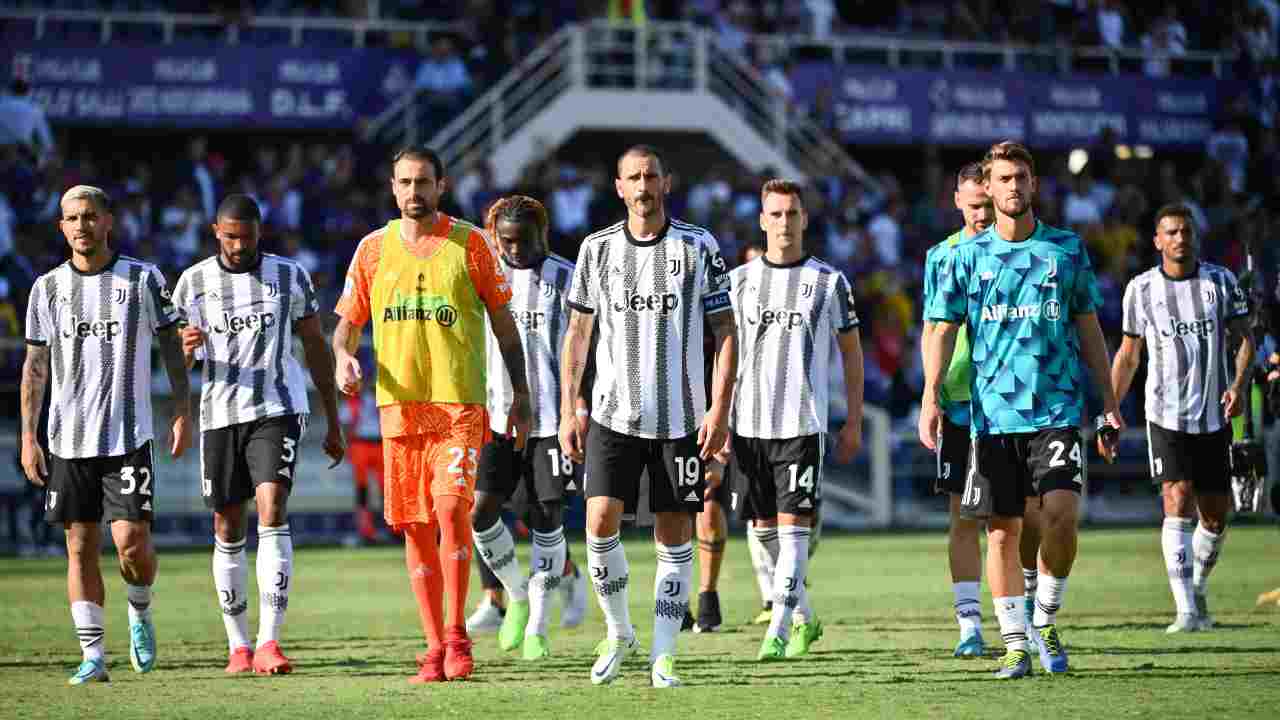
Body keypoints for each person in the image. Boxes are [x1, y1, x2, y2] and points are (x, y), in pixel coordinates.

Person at [921, 141, 1123, 679]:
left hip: (1055, 408)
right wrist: (930, 396)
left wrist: (1109, 401)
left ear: (1033, 185)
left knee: (1059, 515)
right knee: (1002, 532)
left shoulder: (1066, 250)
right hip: (991, 417)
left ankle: (1046, 614)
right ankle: (1015, 643)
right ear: (988, 187)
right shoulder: (965, 258)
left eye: (1021, 178)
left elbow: (1088, 328)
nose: (1013, 187)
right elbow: (941, 330)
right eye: (1003, 179)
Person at [332, 145, 531, 684]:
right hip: (399, 410)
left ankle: (457, 638)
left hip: (458, 407)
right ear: (392, 188)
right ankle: (431, 647)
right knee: (416, 530)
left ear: (441, 185)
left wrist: (521, 393)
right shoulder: (371, 250)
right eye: (404, 182)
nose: (413, 192)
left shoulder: (470, 244)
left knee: (450, 514)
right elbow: (347, 322)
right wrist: (344, 356)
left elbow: (505, 325)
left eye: (423, 182)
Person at [558, 145, 737, 688]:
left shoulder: (697, 245)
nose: (642, 186)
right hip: (614, 414)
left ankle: (663, 655)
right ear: (618, 186)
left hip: (682, 419)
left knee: (674, 531)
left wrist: (720, 409)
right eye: (632, 177)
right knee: (598, 522)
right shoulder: (596, 250)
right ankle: (618, 634)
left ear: (666, 182)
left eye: (651, 176)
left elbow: (726, 333)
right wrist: (570, 407)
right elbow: (578, 337)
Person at [20, 185, 192, 684]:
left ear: (108, 221)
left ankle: (139, 610)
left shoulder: (142, 279)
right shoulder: (46, 289)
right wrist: (28, 436)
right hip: (68, 440)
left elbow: (172, 347)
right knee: (79, 545)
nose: (81, 225)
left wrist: (182, 409)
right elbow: (34, 367)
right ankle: (93, 656)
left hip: (128, 435)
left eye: (90, 216)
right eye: (72, 218)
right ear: (61, 227)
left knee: (131, 545)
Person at [174, 194, 345, 674]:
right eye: (229, 238)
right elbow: (176, 359)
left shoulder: (290, 276)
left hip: (278, 407)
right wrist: (184, 354)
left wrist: (332, 418)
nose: (238, 246)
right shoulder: (193, 284)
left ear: (259, 234)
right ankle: (238, 646)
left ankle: (269, 642)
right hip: (220, 414)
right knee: (227, 524)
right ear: (216, 232)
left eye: (246, 238)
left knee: (271, 508)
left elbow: (314, 347)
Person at [727, 180, 863, 661]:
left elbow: (851, 352)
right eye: (776, 214)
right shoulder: (739, 280)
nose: (784, 222)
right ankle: (805, 615)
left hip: (802, 426)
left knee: (793, 531)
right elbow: (727, 354)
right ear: (763, 221)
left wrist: (854, 418)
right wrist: (718, 416)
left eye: (792, 213)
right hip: (747, 426)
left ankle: (779, 629)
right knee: (763, 533)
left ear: (804, 219)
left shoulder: (829, 282)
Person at [1108, 204, 1253, 633]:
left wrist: (1240, 385)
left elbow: (1244, 338)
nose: (1179, 238)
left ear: (1196, 236)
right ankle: (1185, 611)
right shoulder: (1141, 289)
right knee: (1176, 498)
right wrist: (1110, 410)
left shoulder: (1221, 282)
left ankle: (1197, 587)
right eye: (1170, 232)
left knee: (1215, 515)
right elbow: (1129, 354)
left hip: (1215, 412)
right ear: (1157, 240)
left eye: (1185, 231)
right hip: (1165, 413)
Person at [468, 194, 588, 659]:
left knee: (545, 519)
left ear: (544, 234)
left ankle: (537, 622)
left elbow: (585, 350)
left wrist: (577, 409)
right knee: (480, 513)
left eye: (523, 241)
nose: (514, 250)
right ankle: (515, 595)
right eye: (506, 241)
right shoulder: (486, 276)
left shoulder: (567, 277)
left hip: (550, 423)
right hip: (497, 416)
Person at [919, 162, 994, 658]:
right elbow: (932, 329)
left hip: (1014, 401)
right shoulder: (941, 257)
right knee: (964, 514)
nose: (984, 215)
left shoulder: (1021, 252)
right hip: (961, 404)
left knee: (1021, 516)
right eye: (975, 206)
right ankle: (969, 624)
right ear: (957, 201)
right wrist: (930, 393)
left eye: (988, 206)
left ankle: (1027, 614)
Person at [340, 374, 388, 544]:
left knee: (387, 489)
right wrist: (346, 448)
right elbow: (345, 425)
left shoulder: (383, 399)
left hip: (381, 445)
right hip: (360, 444)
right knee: (362, 490)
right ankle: (366, 530)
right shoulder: (352, 401)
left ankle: (393, 529)